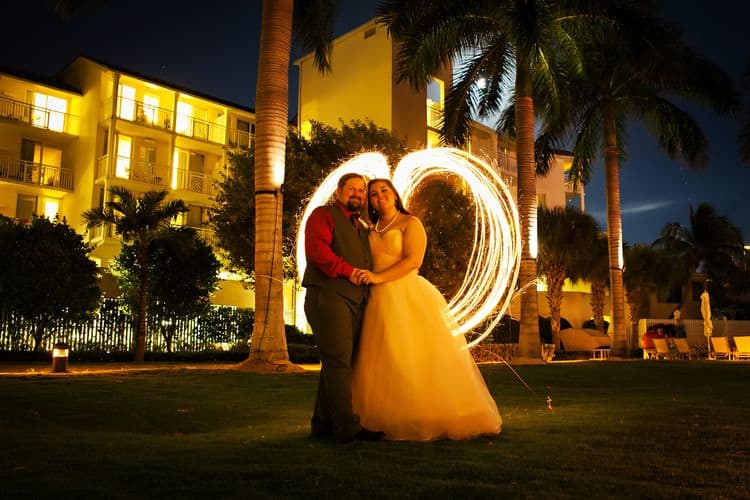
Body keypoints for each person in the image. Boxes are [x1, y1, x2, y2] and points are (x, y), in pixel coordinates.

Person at [351, 178, 501, 441]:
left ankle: (430, 412)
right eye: (373, 194)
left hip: (407, 295)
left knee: (413, 352)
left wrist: (378, 278)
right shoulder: (370, 230)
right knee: (383, 358)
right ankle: (387, 416)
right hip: (377, 300)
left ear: (395, 194)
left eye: (384, 190)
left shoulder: (410, 224)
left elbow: (413, 261)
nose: (379, 196)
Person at [302, 172, 383, 443]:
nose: (357, 194)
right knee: (338, 362)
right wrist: (347, 271)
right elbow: (318, 253)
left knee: (337, 362)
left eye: (361, 190)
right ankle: (347, 427)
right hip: (328, 295)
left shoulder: (361, 227)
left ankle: (322, 424)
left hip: (354, 301)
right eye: (351, 189)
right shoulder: (323, 215)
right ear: (339, 192)